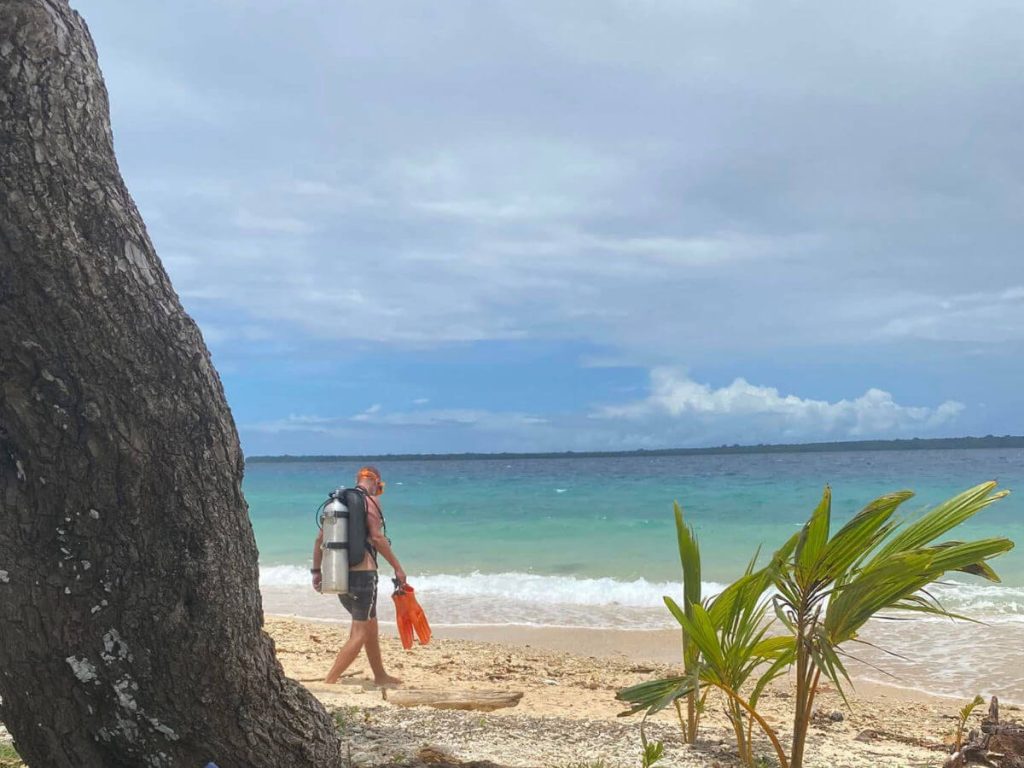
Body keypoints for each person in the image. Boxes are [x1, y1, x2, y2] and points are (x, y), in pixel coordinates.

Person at [311, 465, 405, 686]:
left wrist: (316, 571)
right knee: (360, 631)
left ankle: (380, 675)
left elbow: (319, 541)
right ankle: (330, 681)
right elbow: (378, 538)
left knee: (370, 624)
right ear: (376, 482)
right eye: (379, 488)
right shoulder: (370, 502)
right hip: (364, 576)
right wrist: (398, 568)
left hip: (340, 574)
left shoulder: (339, 503)